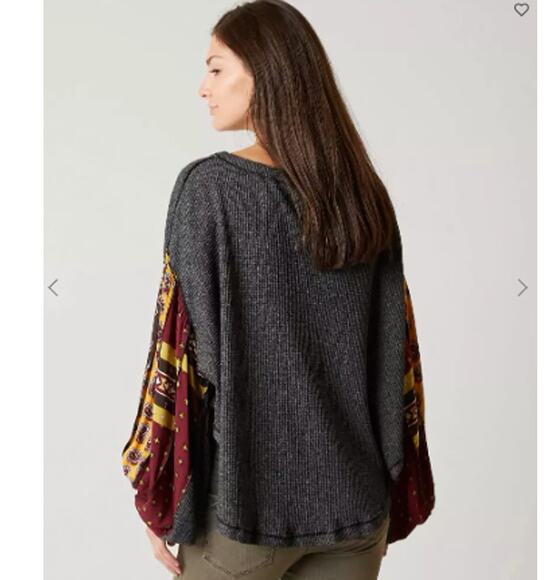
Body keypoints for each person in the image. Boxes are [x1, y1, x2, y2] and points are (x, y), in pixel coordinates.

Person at [120, 1, 435, 578]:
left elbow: (181, 355)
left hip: (243, 516)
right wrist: (391, 488)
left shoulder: (209, 190)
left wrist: (163, 494)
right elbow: (395, 357)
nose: (203, 88)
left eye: (216, 69)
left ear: (264, 71)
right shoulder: (365, 195)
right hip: (357, 514)